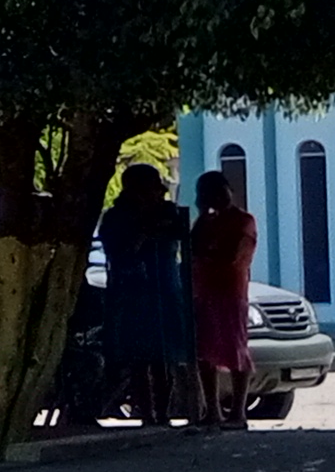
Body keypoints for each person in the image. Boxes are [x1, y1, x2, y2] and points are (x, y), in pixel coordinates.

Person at [99, 163, 192, 426]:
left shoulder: (168, 212)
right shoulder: (116, 217)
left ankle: (163, 412)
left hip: (166, 290)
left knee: (165, 356)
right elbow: (117, 252)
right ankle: (147, 412)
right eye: (152, 189)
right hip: (133, 294)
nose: (159, 194)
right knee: (138, 357)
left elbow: (182, 235)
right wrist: (144, 230)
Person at [186, 169, 257, 430]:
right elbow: (192, 249)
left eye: (219, 191)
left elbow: (231, 256)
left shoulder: (243, 220)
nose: (216, 198)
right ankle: (212, 410)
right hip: (204, 291)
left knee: (236, 347)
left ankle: (238, 412)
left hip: (231, 291)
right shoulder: (204, 223)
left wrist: (207, 254)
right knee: (204, 351)